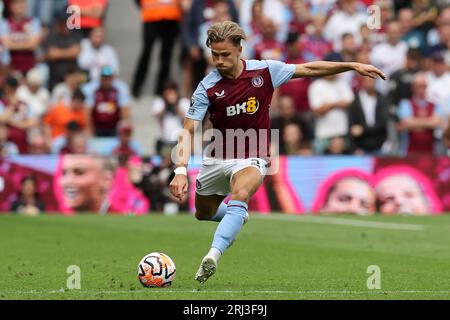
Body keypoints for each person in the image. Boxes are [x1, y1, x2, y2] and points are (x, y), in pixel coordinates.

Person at [169, 21, 386, 283]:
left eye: (225, 54)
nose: (219, 60)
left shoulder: (265, 71)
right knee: (202, 212)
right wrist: (180, 170)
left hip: (253, 155)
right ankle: (237, 216)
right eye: (214, 55)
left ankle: (213, 255)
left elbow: (309, 68)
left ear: (239, 50)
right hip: (217, 157)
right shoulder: (207, 87)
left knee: (241, 192)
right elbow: (188, 130)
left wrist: (351, 66)